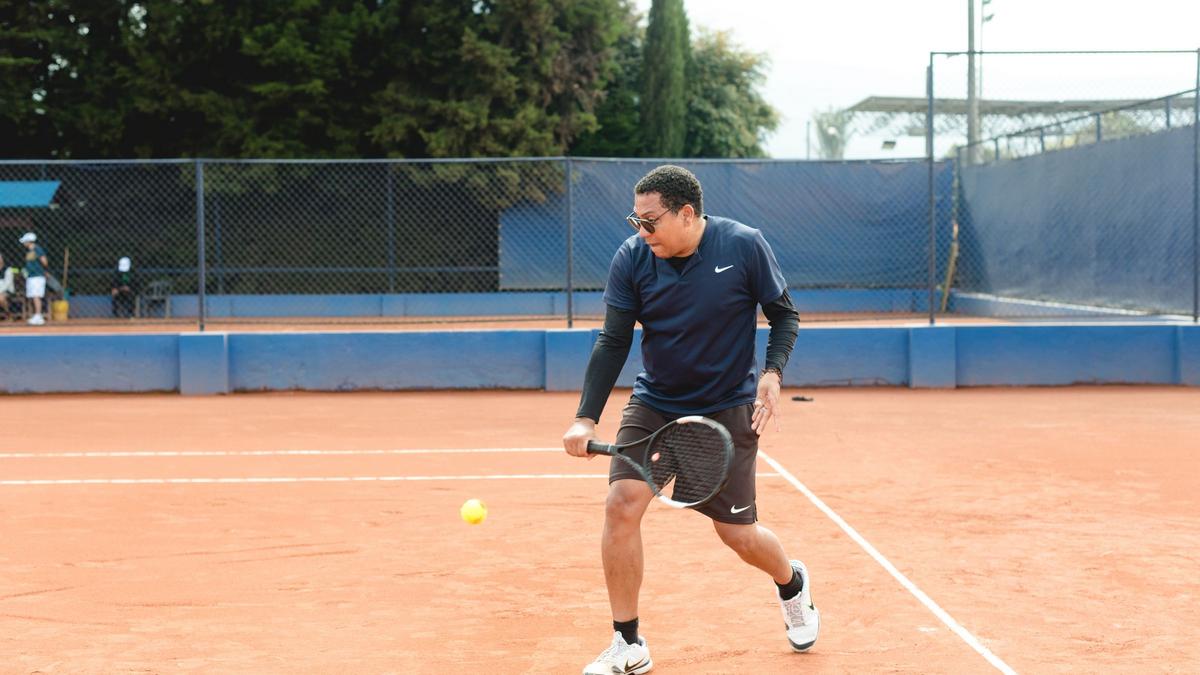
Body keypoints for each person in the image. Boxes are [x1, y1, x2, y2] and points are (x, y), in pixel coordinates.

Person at [562, 165, 815, 674]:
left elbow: (784, 314)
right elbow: (613, 340)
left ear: (685, 214)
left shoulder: (743, 245)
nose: (641, 231)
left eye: (650, 221)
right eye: (635, 220)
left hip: (726, 407)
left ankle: (792, 583)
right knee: (621, 505)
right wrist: (585, 418)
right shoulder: (633, 257)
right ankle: (628, 643)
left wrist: (772, 374)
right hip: (656, 402)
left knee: (738, 535)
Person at [19, 232, 49, 325]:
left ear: (29, 241)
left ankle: (38, 316)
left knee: (36, 296)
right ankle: (36, 315)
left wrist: (42, 270)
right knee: (33, 296)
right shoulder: (29, 251)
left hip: (37, 276)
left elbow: (45, 262)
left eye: (25, 241)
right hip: (31, 276)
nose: (24, 243)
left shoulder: (37, 249)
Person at [0, 253, 17, 321]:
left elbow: (7, 284)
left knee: (1, 297)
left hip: (7, 290)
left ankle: (8, 314)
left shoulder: (8, 269)